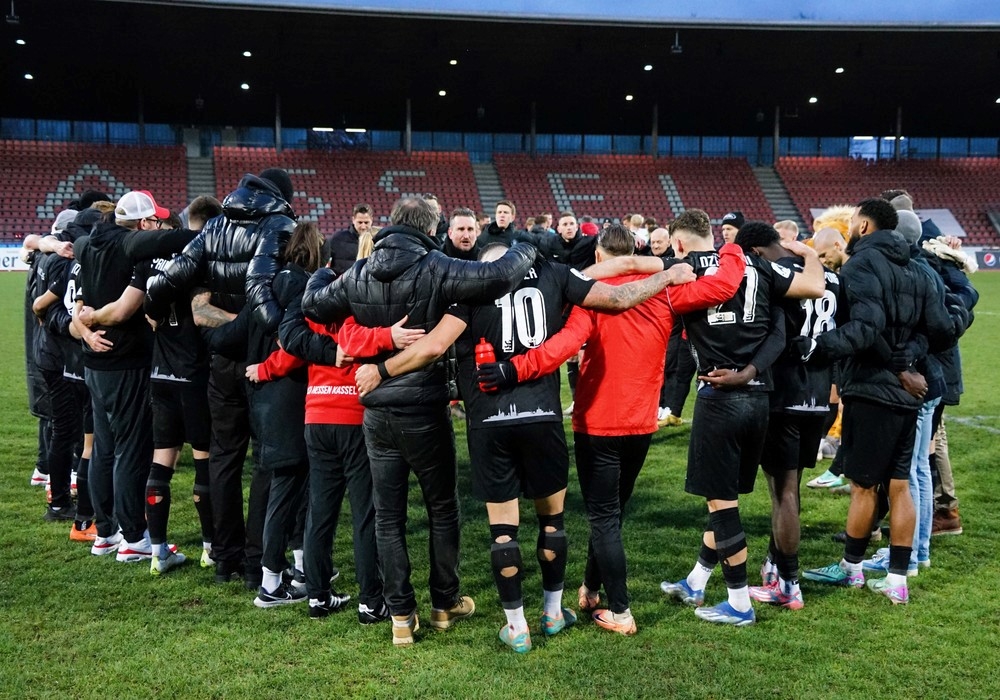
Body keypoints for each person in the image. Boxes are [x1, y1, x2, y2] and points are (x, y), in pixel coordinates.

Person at [351, 229, 697, 651]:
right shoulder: (554, 273)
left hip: (490, 420)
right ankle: (552, 613)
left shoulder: (470, 289)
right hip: (541, 417)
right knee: (552, 522)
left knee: (503, 532)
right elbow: (619, 297)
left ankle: (516, 627)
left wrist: (381, 370)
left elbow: (433, 346)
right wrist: (668, 274)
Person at [475, 225, 746, 637]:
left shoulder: (590, 296)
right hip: (641, 420)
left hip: (597, 422)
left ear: (600, 257)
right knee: (612, 515)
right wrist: (733, 248)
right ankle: (590, 590)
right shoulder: (665, 292)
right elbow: (724, 285)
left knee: (603, 518)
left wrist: (512, 370)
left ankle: (621, 611)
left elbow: (563, 347)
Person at [302, 196, 536, 647]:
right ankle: (444, 603)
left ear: (392, 224)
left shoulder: (360, 272)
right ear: (431, 228)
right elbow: (499, 276)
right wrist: (525, 245)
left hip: (376, 411)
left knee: (388, 516)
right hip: (425, 408)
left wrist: (320, 272)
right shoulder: (436, 265)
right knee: (441, 508)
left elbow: (313, 305)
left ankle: (401, 616)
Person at [660, 214, 825, 627]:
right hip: (760, 396)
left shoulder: (681, 270)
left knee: (722, 504)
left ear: (678, 244)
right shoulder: (759, 266)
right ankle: (696, 581)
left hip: (719, 395)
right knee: (724, 495)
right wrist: (808, 253)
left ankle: (738, 603)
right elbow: (807, 294)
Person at [145, 168, 297, 588]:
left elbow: (170, 278)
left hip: (221, 360)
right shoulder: (278, 224)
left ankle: (225, 556)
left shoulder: (214, 226)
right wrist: (281, 331)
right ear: (281, 197)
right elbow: (260, 288)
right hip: (261, 360)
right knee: (265, 460)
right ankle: (257, 561)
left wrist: (154, 309)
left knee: (225, 458)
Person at [801, 198, 957, 605]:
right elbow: (941, 331)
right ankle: (897, 580)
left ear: (865, 226)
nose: (852, 227)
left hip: (872, 389)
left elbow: (867, 328)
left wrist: (816, 347)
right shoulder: (919, 269)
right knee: (900, 485)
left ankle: (851, 568)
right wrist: (907, 361)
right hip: (909, 394)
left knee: (863, 486)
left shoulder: (861, 264)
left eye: (854, 221)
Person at [73, 191, 200, 563]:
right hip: (125, 360)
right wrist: (216, 232)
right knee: (130, 449)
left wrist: (85, 327)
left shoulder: (88, 245)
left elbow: (74, 249)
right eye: (154, 221)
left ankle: (105, 532)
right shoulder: (129, 245)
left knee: (104, 449)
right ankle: (133, 538)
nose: (157, 227)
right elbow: (173, 239)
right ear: (143, 223)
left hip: (94, 361)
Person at [734, 224, 845, 610]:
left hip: (782, 394)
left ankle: (788, 584)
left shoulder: (776, 275)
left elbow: (769, 333)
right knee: (791, 489)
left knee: (783, 493)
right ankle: (775, 564)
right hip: (819, 397)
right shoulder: (831, 278)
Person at [140, 195, 222, 573]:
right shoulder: (201, 264)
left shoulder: (159, 264)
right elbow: (202, 316)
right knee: (203, 460)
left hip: (160, 372)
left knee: (162, 459)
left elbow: (150, 316)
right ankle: (210, 548)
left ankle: (158, 552)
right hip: (193, 375)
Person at [322, 203, 373, 276]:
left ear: (372, 220)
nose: (363, 226)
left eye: (366, 222)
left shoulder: (379, 241)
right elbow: (322, 262)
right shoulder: (337, 239)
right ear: (353, 220)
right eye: (360, 222)